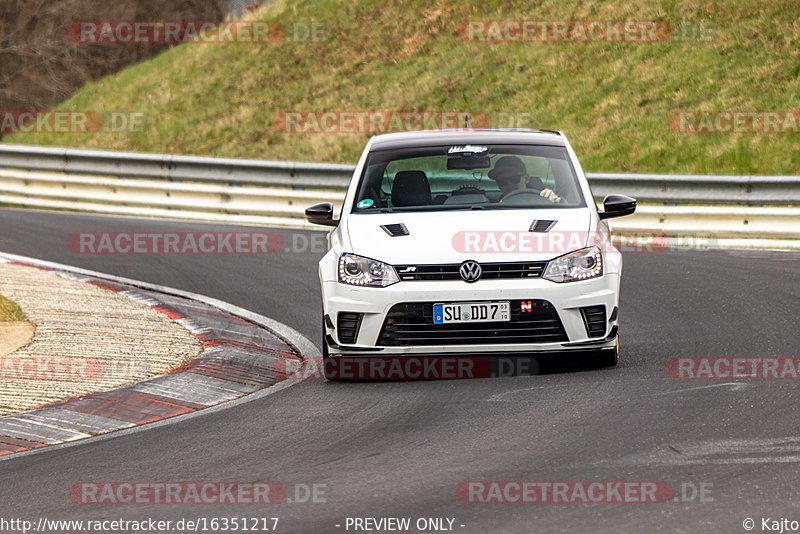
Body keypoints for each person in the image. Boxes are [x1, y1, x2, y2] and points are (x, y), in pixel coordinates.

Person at [488, 156, 561, 202]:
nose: (509, 185)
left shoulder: (543, 198)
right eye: (502, 182)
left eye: (514, 179)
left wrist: (553, 200)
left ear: (526, 179)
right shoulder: (494, 207)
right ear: (498, 185)